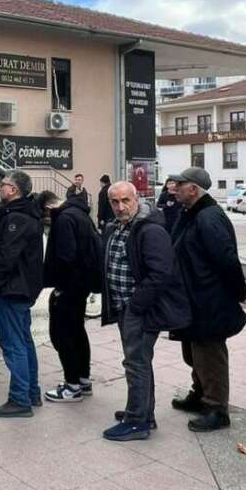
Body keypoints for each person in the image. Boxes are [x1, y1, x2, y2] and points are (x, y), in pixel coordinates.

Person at [101, 182, 189, 441]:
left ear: (136, 199)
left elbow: (160, 273)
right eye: (115, 202)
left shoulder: (150, 230)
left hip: (138, 309)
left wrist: (136, 307)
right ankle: (141, 412)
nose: (120, 206)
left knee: (135, 363)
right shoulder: (117, 227)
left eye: (125, 200)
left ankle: (137, 421)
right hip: (123, 306)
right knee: (139, 362)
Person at [167, 167, 246, 432]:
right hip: (192, 297)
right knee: (193, 353)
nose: (174, 187)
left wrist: (240, 292)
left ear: (194, 189)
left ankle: (216, 409)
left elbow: (226, 260)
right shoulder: (191, 213)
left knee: (210, 355)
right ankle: (200, 394)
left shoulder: (208, 217)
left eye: (180, 184)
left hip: (209, 299)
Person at [0, 169, 45, 418]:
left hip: (13, 289)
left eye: (3, 184)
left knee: (14, 345)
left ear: (14, 190)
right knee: (23, 342)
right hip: (21, 288)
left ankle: (20, 399)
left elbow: (7, 257)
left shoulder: (17, 218)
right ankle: (31, 392)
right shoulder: (23, 214)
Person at [42, 184, 102, 402]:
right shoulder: (81, 215)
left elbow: (66, 256)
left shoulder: (65, 219)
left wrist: (60, 287)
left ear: (48, 208)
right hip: (82, 285)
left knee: (63, 335)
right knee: (77, 332)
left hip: (70, 287)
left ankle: (72, 385)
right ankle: (83, 380)